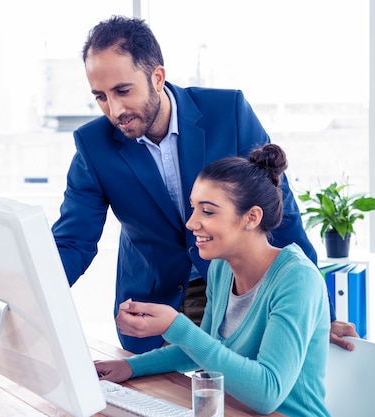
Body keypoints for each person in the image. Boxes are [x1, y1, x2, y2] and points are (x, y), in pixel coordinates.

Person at [52, 15, 357, 354]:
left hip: (234, 294)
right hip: (154, 305)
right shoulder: (94, 145)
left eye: (123, 90)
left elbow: (280, 215)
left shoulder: (229, 113)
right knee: (152, 404)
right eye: (101, 97)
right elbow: (72, 241)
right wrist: (26, 296)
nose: (115, 109)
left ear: (157, 77)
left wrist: (321, 313)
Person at [95, 144, 331, 416]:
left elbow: (268, 393)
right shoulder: (221, 268)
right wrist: (131, 367)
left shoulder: (297, 279)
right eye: (193, 208)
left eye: (207, 211)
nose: (191, 223)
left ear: (251, 217)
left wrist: (176, 326)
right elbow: (200, 349)